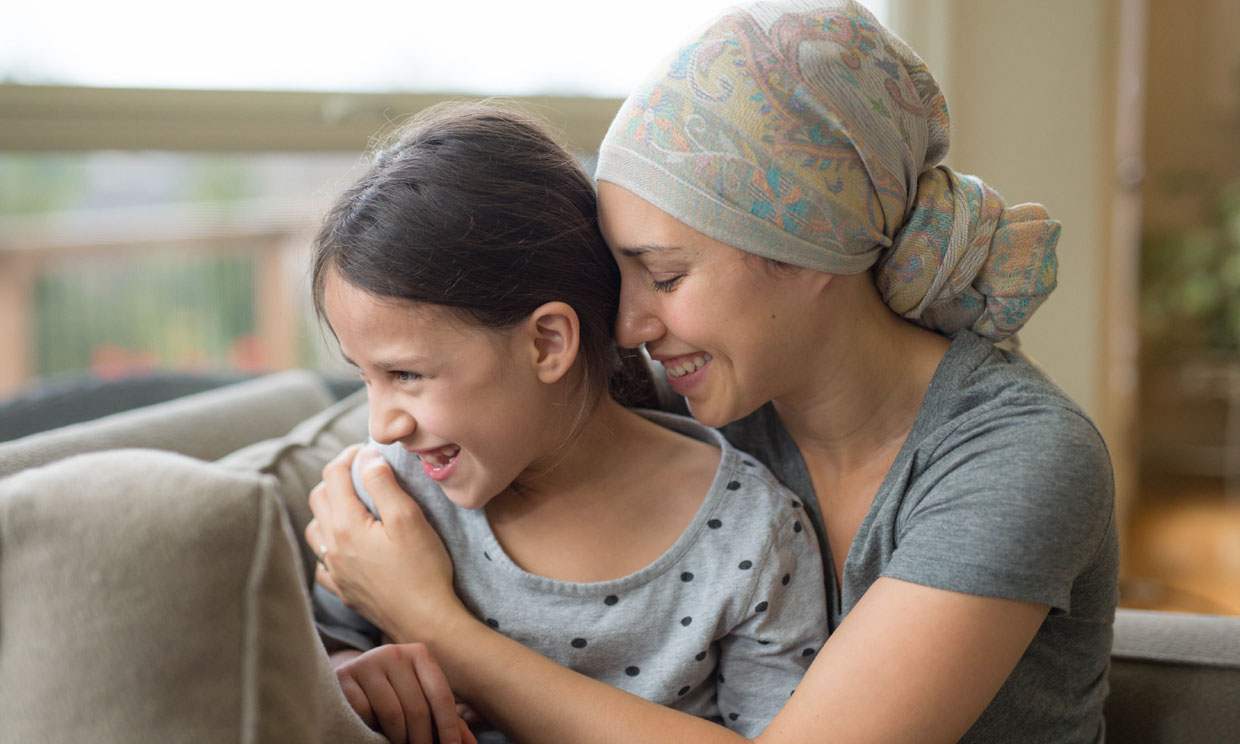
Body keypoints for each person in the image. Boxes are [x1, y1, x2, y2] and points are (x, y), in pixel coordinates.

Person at [308, 1, 1118, 742]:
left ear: (811, 255)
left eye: (664, 276)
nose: (627, 326)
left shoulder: (1020, 461)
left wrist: (432, 623)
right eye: (622, 275)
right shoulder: (687, 400)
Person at [305, 102, 828, 744]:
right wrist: (353, 676)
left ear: (548, 343)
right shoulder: (391, 497)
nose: (381, 424)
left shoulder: (754, 539)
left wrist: (437, 628)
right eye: (366, 376)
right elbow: (313, 651)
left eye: (406, 376)